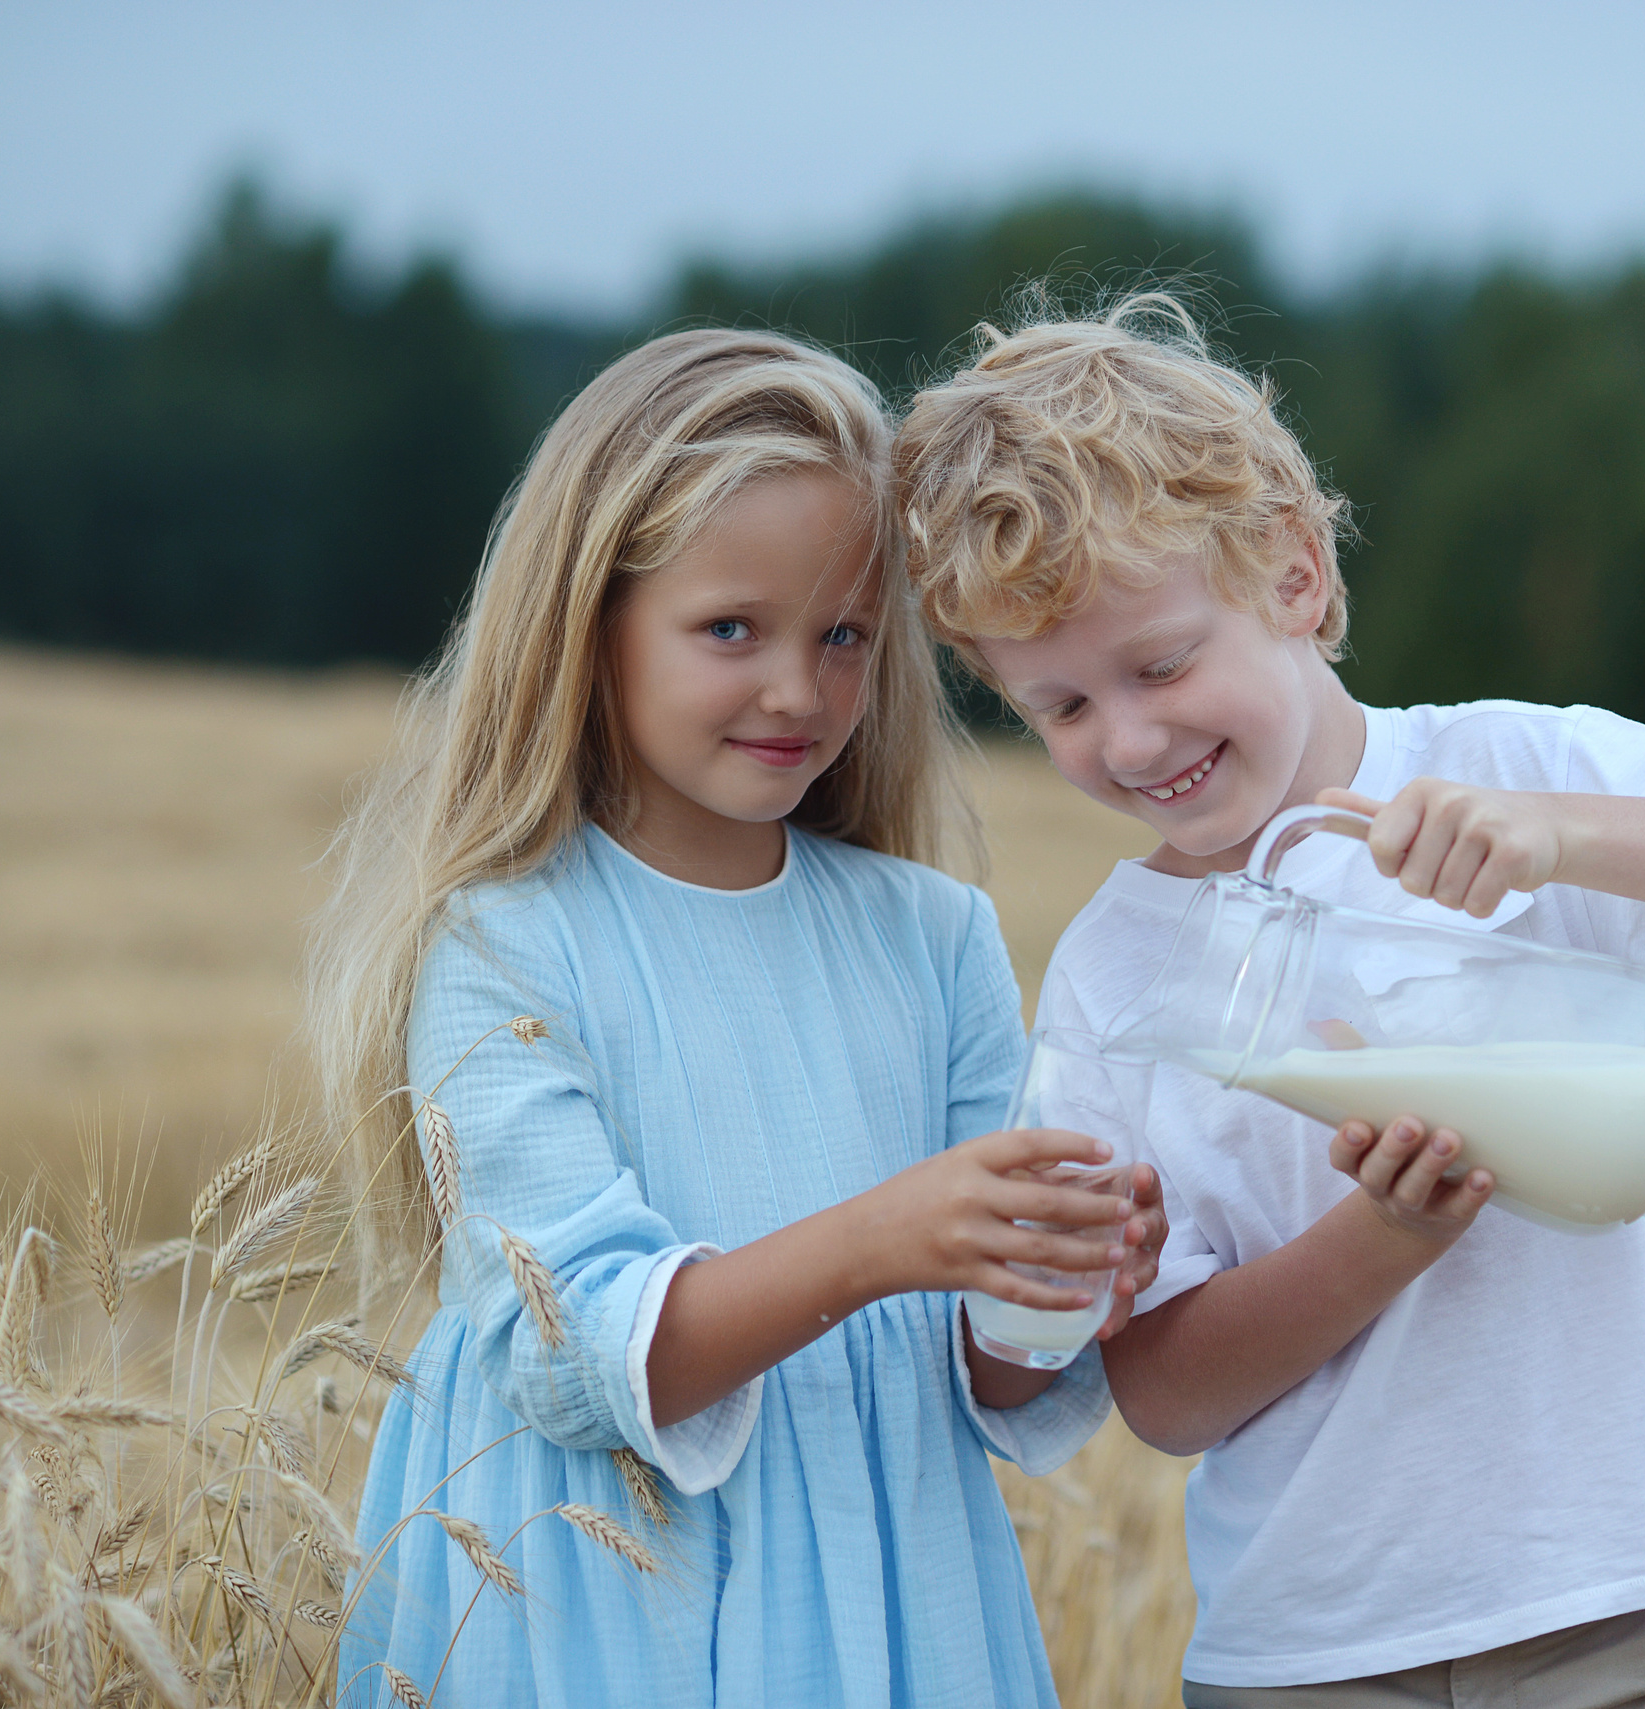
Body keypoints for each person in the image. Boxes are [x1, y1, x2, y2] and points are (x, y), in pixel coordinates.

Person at [894, 297, 1645, 1707]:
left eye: (1162, 663)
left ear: (1296, 573)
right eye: (1061, 708)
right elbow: (1167, 1399)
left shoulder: (1513, 773)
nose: (1129, 738)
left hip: (1609, 1611)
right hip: (1307, 1655)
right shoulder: (1117, 975)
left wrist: (1565, 836)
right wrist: (1385, 1235)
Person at [307, 328, 1166, 1708]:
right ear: (590, 624)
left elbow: (986, 1374)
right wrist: (885, 1240)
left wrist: (1059, 1290)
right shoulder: (503, 944)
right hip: (594, 1605)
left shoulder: (934, 937)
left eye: (843, 637)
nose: (798, 691)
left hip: (893, 1597)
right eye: (731, 631)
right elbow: (571, 1350)